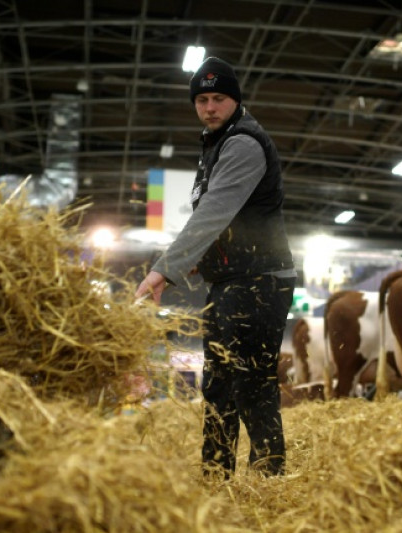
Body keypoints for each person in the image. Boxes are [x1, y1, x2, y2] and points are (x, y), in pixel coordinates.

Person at [134, 57, 296, 478]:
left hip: (259, 280)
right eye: (201, 100)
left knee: (251, 383)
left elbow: (213, 213)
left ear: (235, 100)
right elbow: (225, 219)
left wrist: (164, 268)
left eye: (218, 98)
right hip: (230, 279)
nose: (209, 108)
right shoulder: (216, 143)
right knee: (219, 386)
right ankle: (216, 479)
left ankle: (269, 481)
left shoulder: (242, 143)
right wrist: (204, 258)